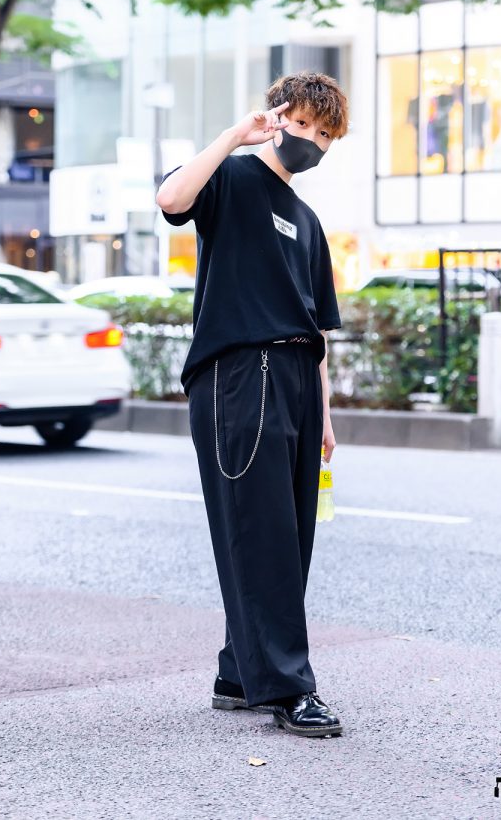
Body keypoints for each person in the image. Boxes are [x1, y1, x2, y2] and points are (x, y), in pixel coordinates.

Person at [156, 70, 348, 738]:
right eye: (304, 125)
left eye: (325, 134)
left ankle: (241, 669)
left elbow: (317, 329)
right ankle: (289, 688)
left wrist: (322, 413)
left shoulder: (308, 220)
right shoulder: (233, 179)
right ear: (278, 115)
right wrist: (235, 136)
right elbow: (172, 198)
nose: (313, 141)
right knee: (260, 528)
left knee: (290, 533)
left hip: (295, 375)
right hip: (242, 371)